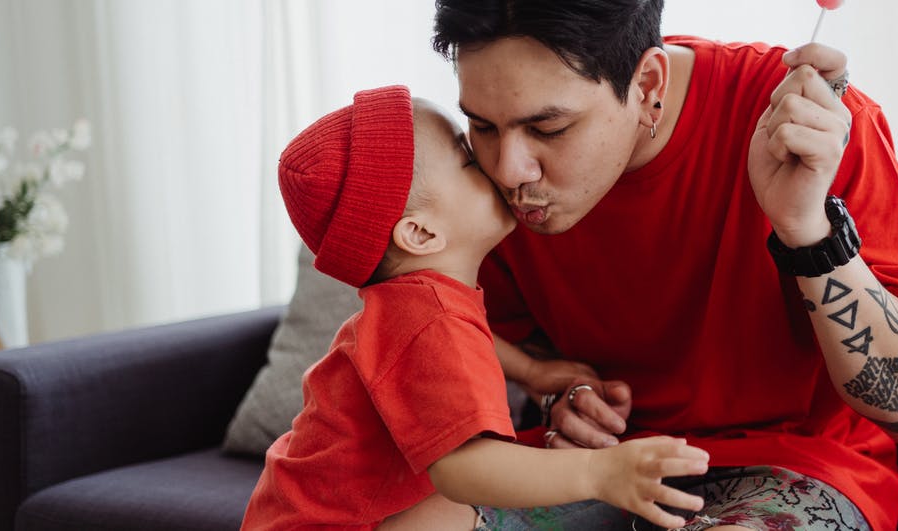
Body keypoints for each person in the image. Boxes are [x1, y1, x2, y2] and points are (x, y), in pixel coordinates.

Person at [432, 0, 898, 530]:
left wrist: (806, 228)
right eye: (483, 124)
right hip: (600, 469)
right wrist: (560, 395)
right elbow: (501, 347)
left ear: (648, 81)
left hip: (796, 469)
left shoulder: (806, 127)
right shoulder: (483, 175)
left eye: (549, 127)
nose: (510, 168)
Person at [240, 85, 712, 531]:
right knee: (476, 503)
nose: (498, 166)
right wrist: (597, 471)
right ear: (421, 233)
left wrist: (529, 370)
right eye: (468, 159)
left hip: (292, 515)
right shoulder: (429, 318)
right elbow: (462, 468)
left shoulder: (411, 306)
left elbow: (451, 353)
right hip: (337, 524)